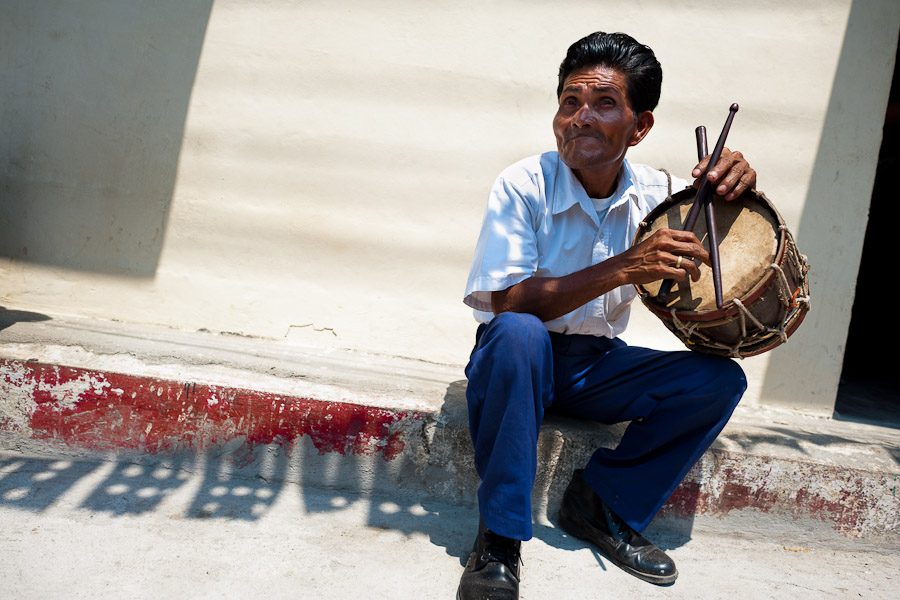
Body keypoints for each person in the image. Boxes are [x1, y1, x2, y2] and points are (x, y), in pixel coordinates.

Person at [458, 31, 756, 599]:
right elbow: (508, 302)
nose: (581, 118)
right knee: (519, 332)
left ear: (640, 127)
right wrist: (624, 266)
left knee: (718, 380)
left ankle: (600, 503)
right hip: (514, 360)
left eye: (604, 104)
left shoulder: (662, 197)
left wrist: (734, 193)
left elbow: (722, 262)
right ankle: (498, 540)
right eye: (570, 102)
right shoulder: (523, 184)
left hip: (593, 365)